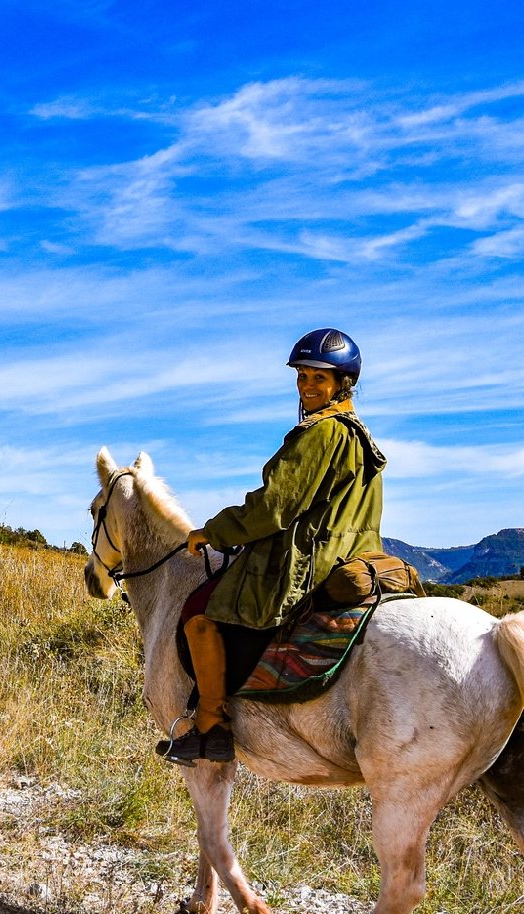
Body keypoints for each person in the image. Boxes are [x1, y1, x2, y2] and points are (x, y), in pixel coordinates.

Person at [163, 328, 387, 765]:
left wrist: (215, 531)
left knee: (198, 615)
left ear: (343, 383)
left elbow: (273, 508)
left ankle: (211, 727)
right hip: (357, 554)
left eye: (318, 379)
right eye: (302, 377)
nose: (306, 387)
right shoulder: (362, 439)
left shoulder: (320, 434)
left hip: (308, 561)